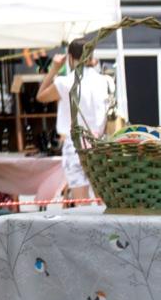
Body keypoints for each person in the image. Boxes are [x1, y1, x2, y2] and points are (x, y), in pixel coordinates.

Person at [36, 38, 110, 203]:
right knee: (104, 200)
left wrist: (54, 69)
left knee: (81, 204)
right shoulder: (104, 81)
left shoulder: (65, 82)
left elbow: (40, 96)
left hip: (75, 144)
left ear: (70, 57)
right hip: (100, 143)